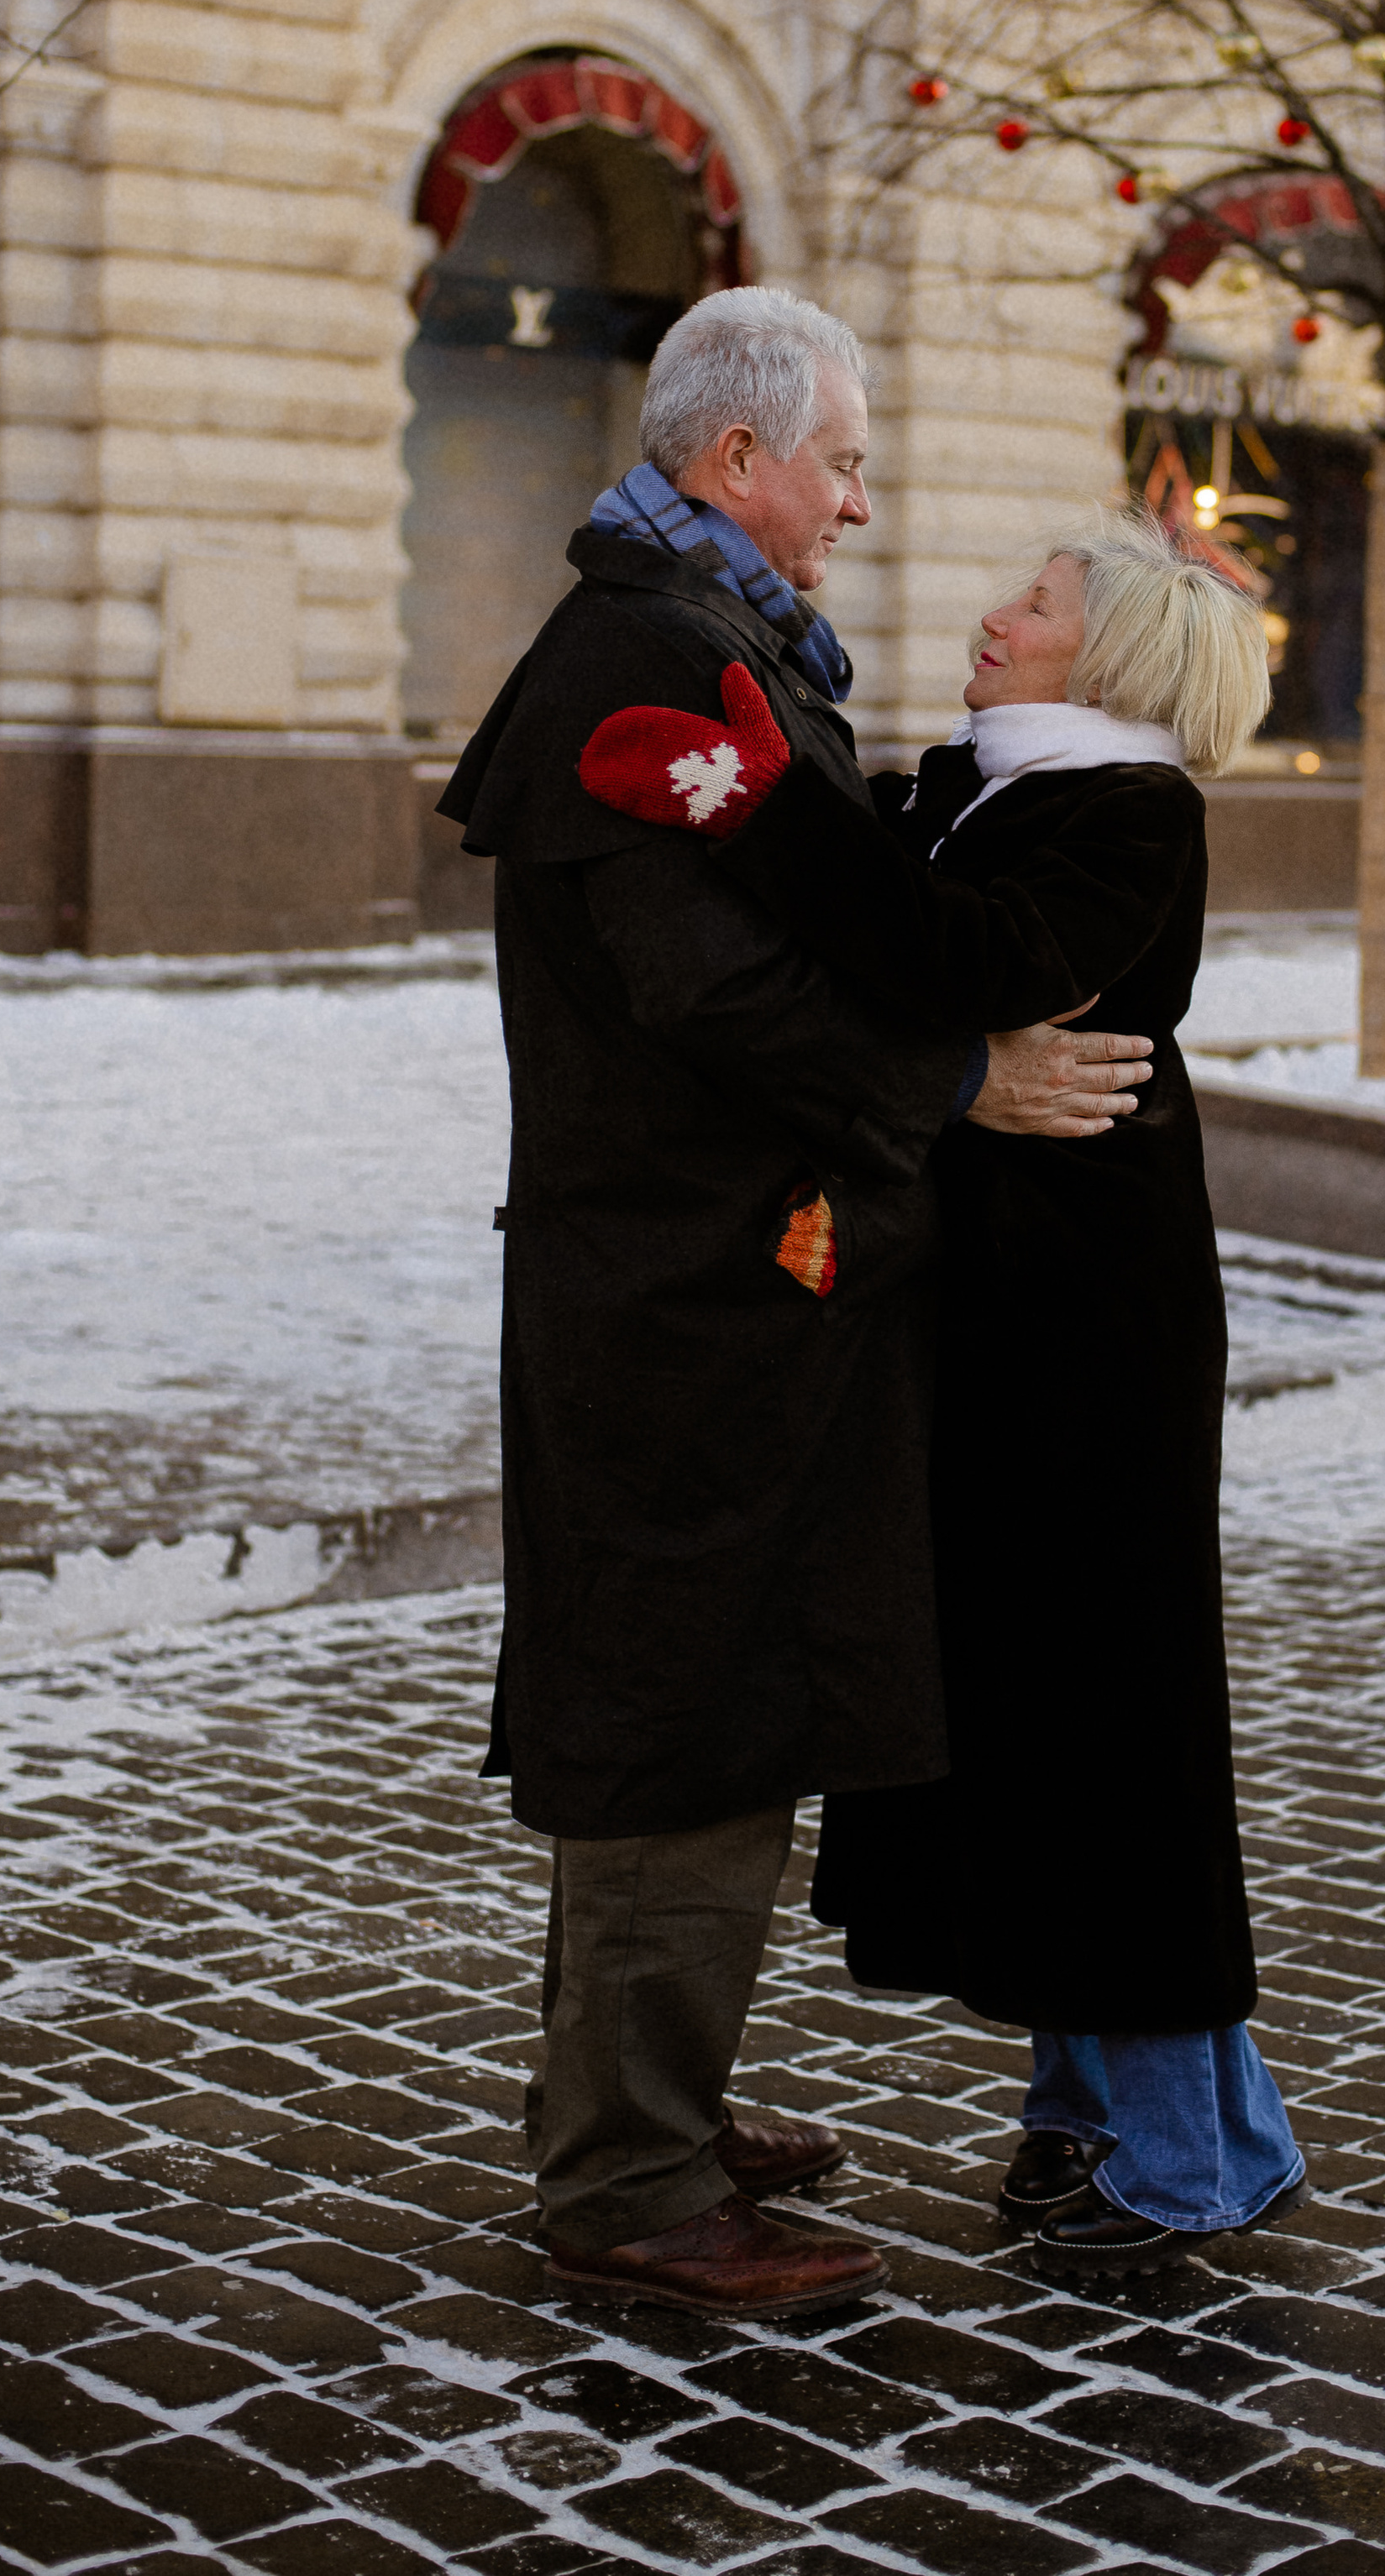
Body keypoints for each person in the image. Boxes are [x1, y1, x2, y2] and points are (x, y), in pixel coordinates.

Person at [437, 285, 1156, 2313]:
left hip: (724, 1280)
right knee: (689, 1709)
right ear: (731, 461)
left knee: (708, 1693)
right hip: (684, 1294)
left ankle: (644, 2099)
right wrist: (956, 1082)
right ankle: (630, 2176)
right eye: (837, 460)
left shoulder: (704, 631)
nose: (860, 495)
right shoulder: (645, 651)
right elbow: (711, 988)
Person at [580, 505, 1306, 2267]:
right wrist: (765, 805)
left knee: (1105, 1735)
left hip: (1090, 1352)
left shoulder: (1125, 815)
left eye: (1033, 605)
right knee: (1032, 1731)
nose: (990, 621)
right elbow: (889, 941)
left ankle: (1187, 2159)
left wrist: (752, 805)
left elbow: (948, 961)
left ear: (1110, 655)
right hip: (990, 1333)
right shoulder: (983, 788)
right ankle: (1105, 2122)